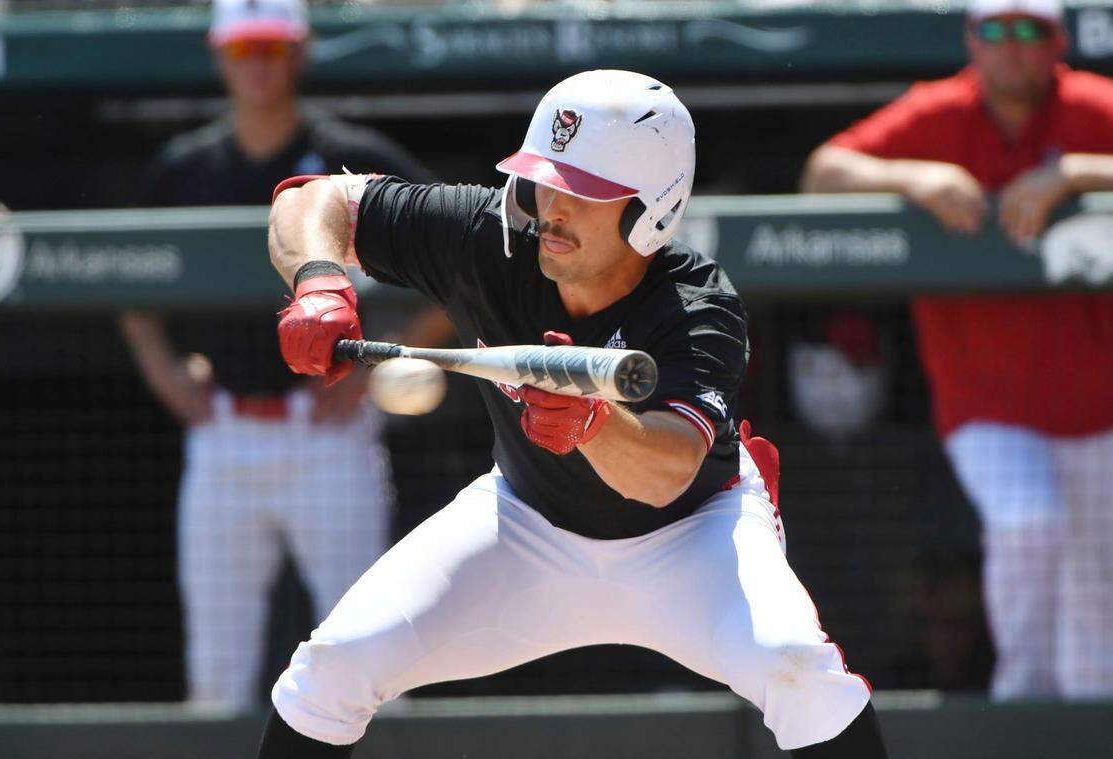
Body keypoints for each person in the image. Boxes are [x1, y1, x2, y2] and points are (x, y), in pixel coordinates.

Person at [257, 70, 888, 758]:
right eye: (543, 180)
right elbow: (315, 201)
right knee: (329, 670)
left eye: (582, 191)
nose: (552, 207)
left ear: (651, 207)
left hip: (692, 539)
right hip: (525, 520)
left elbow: (667, 472)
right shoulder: (487, 237)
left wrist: (593, 422)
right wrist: (317, 277)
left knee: (801, 671)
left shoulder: (699, 306)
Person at [119, 0, 446, 709]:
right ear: (219, 57)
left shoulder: (350, 155)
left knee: (371, 648)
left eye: (270, 48)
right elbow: (125, 282)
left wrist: (373, 373)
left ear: (298, 52)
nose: (258, 65)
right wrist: (164, 371)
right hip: (224, 433)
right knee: (215, 665)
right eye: (244, 51)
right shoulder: (187, 167)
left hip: (326, 433)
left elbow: (461, 260)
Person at [802, 0, 1113, 700]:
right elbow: (824, 171)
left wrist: (1076, 174)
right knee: (1029, 523)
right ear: (972, 38)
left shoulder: (1093, 107)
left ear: (1057, 40)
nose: (1012, 46)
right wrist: (914, 178)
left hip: (1097, 403)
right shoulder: (937, 114)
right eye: (995, 30)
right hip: (986, 399)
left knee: (1099, 584)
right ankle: (1021, 711)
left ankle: (1090, 730)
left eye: (1029, 30)